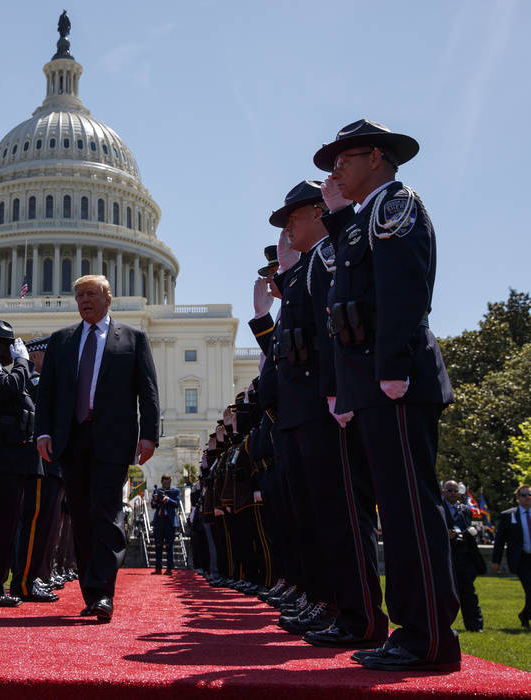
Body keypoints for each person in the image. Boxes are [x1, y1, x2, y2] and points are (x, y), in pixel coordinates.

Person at [315, 119, 460, 671]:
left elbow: (402, 291)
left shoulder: (396, 205)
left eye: (343, 161)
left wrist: (392, 366)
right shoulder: (366, 216)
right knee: (394, 512)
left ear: (375, 157)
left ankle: (428, 639)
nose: (335, 172)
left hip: (392, 378)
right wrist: (335, 213)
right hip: (373, 381)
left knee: (409, 512)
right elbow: (348, 288)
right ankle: (411, 630)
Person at [260, 180, 388, 647]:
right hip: (302, 410)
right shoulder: (308, 268)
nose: (286, 228)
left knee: (341, 515)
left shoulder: (327, 259)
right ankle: (337, 606)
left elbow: (334, 332)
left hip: (323, 408)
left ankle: (359, 615)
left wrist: (337, 394)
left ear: (318, 212)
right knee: (315, 516)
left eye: (293, 217)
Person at [35, 274, 159, 622]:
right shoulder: (61, 341)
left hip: (113, 438)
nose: (84, 300)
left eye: (91, 294)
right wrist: (42, 432)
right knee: (81, 515)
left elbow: (148, 391)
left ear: (108, 298)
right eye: (79, 296)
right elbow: (47, 393)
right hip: (72, 439)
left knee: (106, 511)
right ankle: (92, 592)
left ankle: (103, 591)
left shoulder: (133, 339)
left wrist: (149, 435)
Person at [0, 319, 45, 604]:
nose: (12, 348)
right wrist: (23, 365)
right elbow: (9, 388)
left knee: (5, 527)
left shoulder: (3, 366)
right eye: (6, 343)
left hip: (11, 458)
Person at [11, 336, 67, 599]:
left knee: (48, 524)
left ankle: (39, 575)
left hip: (52, 463)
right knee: (36, 522)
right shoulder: (34, 382)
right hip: (39, 461)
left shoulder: (46, 383)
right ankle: (28, 578)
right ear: (34, 357)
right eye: (47, 354)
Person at [442, 481, 485, 632]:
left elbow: (469, 530)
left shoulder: (465, 510)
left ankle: (475, 625)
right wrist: (444, 534)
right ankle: (441, 624)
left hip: (463, 555)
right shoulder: (437, 508)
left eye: (455, 491)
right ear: (443, 491)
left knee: (468, 592)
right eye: (449, 490)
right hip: (444, 555)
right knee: (443, 592)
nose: (453, 493)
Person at [491, 485, 531, 629]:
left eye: (529, 494)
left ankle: (525, 615)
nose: (527, 497)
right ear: (518, 498)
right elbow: (500, 540)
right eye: (524, 494)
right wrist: (496, 561)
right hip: (522, 559)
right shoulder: (508, 515)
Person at [150, 475, 181, 575]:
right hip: (159, 521)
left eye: (168, 482)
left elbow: (176, 503)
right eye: (164, 482)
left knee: (169, 545)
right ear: (161, 482)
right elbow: (153, 505)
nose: (166, 484)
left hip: (169, 521)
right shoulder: (157, 490)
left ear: (170, 482)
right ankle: (158, 568)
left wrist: (167, 499)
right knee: (158, 545)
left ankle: (169, 569)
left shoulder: (175, 491)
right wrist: (155, 500)